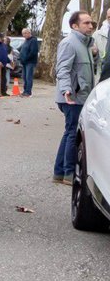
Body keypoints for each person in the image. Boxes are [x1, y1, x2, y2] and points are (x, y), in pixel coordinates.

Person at [55, 11, 99, 185]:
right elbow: (62, 69)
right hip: (71, 97)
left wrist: (94, 55)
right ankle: (68, 174)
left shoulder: (85, 43)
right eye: (86, 23)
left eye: (91, 23)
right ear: (74, 26)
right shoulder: (69, 43)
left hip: (79, 96)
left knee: (69, 133)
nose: (90, 26)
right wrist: (66, 90)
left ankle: (60, 173)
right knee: (73, 134)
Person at [19, 28, 39, 95]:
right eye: (23, 34)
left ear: (29, 33)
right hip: (24, 62)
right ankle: (25, 91)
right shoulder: (26, 41)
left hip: (30, 62)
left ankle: (28, 91)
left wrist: (26, 58)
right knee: (24, 77)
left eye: (25, 33)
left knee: (28, 77)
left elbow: (33, 52)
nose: (23, 35)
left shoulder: (33, 40)